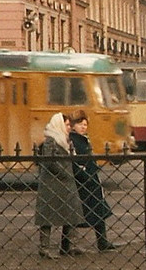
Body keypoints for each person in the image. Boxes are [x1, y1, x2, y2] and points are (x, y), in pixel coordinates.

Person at [68, 109, 120, 252]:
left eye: (85, 125)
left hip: (91, 181)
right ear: (73, 125)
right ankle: (68, 244)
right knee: (77, 214)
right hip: (83, 182)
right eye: (80, 124)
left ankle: (102, 241)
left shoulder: (84, 139)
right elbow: (75, 162)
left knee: (99, 211)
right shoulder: (73, 140)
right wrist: (85, 174)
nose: (83, 127)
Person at [35, 113, 84, 259]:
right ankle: (44, 247)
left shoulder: (65, 140)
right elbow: (50, 162)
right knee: (47, 217)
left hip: (66, 183)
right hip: (52, 184)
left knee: (72, 212)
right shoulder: (51, 140)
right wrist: (64, 172)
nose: (69, 128)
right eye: (67, 125)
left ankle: (72, 245)